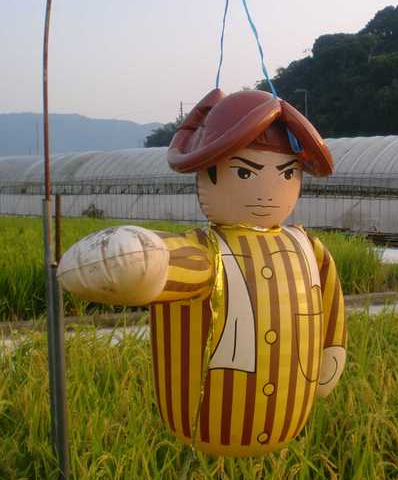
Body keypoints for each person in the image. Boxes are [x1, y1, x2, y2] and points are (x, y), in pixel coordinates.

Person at [58, 89, 346, 457]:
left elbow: (330, 300)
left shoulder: (307, 247)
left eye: (287, 173)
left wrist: (333, 347)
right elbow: (170, 263)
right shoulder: (208, 252)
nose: (267, 192)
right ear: (207, 173)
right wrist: (132, 257)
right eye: (244, 172)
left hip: (291, 412)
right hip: (210, 422)